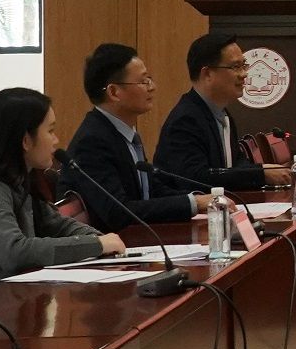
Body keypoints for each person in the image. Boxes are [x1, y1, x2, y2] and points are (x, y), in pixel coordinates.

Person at [0, 87, 125, 294]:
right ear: (25, 140)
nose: (56, 140)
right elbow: (13, 252)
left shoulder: (18, 177)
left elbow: (56, 224)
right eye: (50, 131)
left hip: (15, 296)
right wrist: (96, 245)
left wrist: (99, 240)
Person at [59, 43, 207, 232]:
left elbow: (149, 190)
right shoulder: (92, 142)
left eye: (150, 79)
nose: (152, 87)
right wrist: (193, 203)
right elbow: (118, 212)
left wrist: (196, 199)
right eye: (144, 81)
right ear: (114, 92)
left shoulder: (122, 133)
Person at [155, 33, 290, 191]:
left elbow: (236, 163)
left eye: (244, 65)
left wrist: (262, 170)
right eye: (235, 67)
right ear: (207, 74)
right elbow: (196, 178)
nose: (244, 74)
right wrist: (260, 174)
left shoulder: (221, 113)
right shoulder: (186, 120)